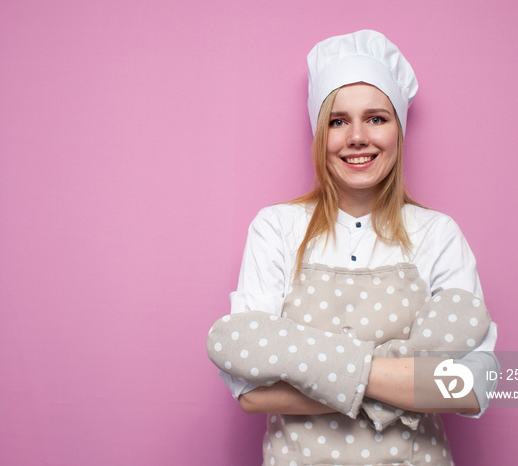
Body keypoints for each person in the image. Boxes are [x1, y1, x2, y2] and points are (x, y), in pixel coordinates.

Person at [207, 30, 499, 466]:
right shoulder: (277, 228)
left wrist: (316, 369)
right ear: (319, 133)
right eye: (338, 121)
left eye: (376, 118)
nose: (357, 137)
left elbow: (472, 385)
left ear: (398, 130)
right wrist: (400, 380)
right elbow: (249, 390)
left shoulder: (438, 234)